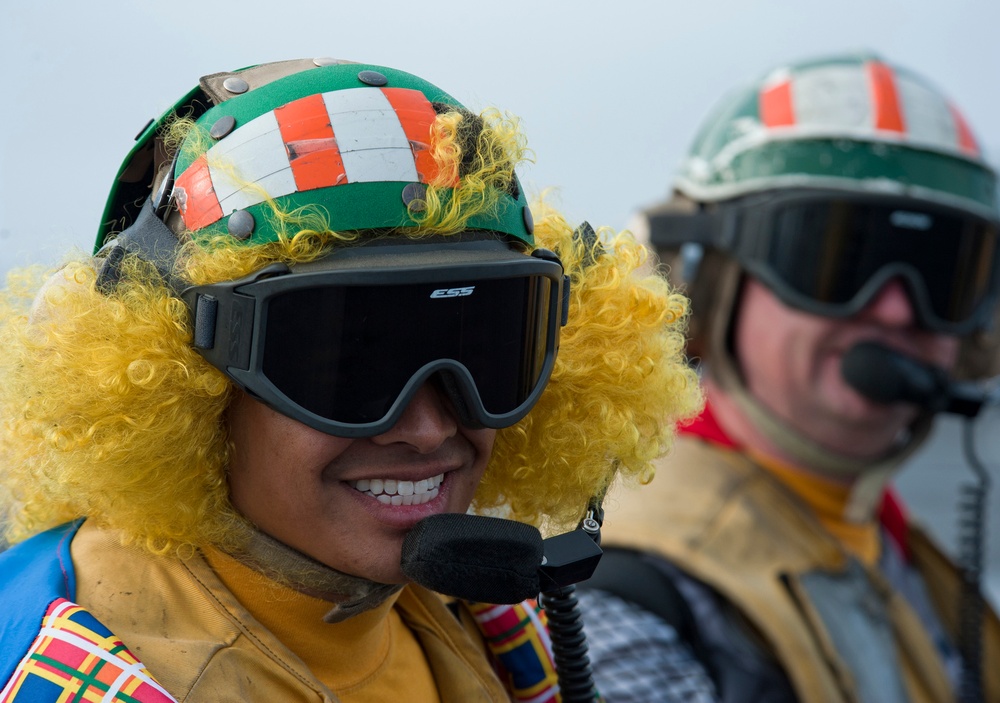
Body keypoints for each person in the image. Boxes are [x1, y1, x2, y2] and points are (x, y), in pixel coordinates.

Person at [0, 58, 702, 702]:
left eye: (481, 345)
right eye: (346, 362)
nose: (429, 426)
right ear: (187, 382)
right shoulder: (66, 677)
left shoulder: (486, 615)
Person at [578, 51, 1000, 703]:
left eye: (939, 271)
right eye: (836, 257)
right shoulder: (628, 587)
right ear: (709, 285)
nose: (892, 308)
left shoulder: (887, 541)